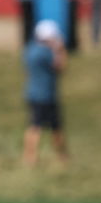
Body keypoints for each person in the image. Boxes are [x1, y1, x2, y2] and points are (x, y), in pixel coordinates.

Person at [22, 20, 69, 168]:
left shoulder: (30, 49)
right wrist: (60, 50)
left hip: (32, 93)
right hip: (46, 95)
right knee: (53, 127)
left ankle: (30, 156)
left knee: (34, 125)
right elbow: (60, 66)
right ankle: (62, 156)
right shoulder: (46, 53)